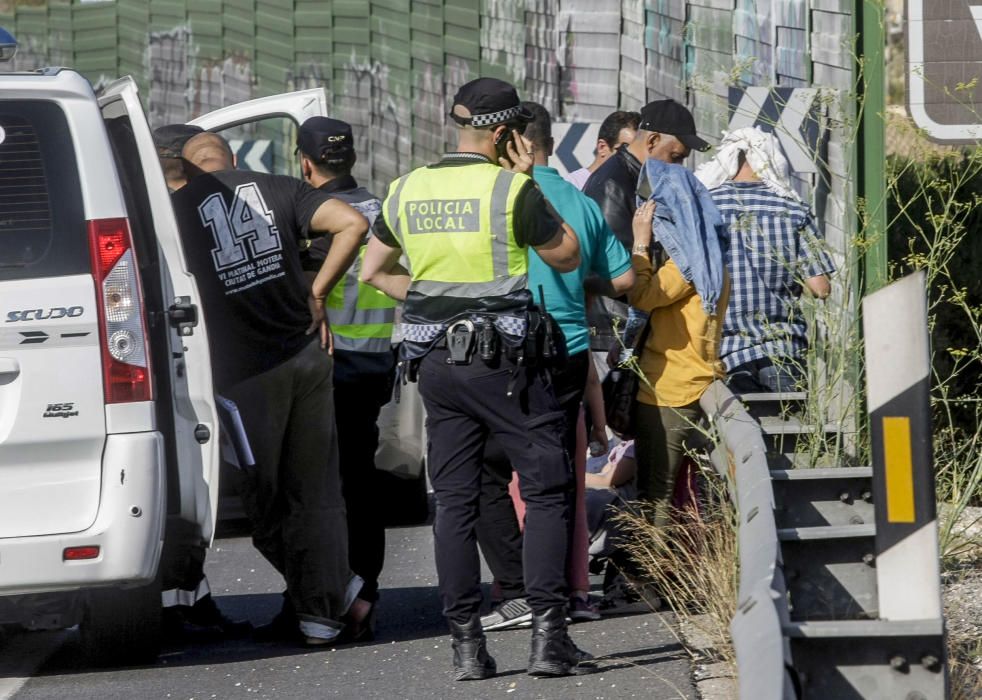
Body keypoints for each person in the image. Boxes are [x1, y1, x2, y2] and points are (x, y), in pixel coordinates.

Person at [360, 77, 592, 681]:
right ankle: (549, 637)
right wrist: (532, 179)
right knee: (545, 488)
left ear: (457, 125)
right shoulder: (511, 188)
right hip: (508, 364)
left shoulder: (406, 189)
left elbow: (372, 270)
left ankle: (466, 645)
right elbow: (567, 254)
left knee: (455, 502)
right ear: (506, 133)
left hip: (437, 364)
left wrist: (435, 300)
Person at [172, 131, 373, 646]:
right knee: (317, 495)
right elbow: (352, 223)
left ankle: (328, 601)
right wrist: (317, 292)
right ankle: (333, 602)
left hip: (246, 378)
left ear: (187, 169)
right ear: (234, 160)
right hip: (308, 357)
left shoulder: (176, 211)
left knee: (263, 505)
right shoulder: (281, 187)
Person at [475, 101, 634, 630]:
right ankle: (576, 591)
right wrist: (580, 283)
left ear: (510, 141)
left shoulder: (498, 195)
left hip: (505, 350)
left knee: (509, 480)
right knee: (562, 482)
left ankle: (517, 588)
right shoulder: (582, 201)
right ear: (547, 140)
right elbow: (624, 280)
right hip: (568, 349)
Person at [151, 123, 251, 640]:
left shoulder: (160, 209)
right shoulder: (178, 211)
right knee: (189, 486)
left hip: (183, 366)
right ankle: (178, 600)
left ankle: (189, 596)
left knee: (191, 487)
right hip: (183, 368)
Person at [296, 117, 396, 623]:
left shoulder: (314, 213)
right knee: (360, 480)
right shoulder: (381, 207)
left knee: (318, 489)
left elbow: (302, 288)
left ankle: (331, 596)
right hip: (376, 360)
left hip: (327, 366)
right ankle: (366, 591)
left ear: (305, 162)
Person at [629, 149, 730, 528]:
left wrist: (640, 245)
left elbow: (642, 296)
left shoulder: (684, 265)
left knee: (656, 496)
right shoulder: (712, 258)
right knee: (692, 495)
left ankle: (652, 581)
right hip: (701, 382)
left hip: (668, 390)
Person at [695, 127, 834, 393]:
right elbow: (821, 288)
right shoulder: (792, 209)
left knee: (739, 431)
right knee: (789, 428)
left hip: (726, 352)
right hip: (784, 349)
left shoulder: (707, 207)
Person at [564, 110, 639, 191]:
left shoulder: (638, 189)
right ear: (602, 147)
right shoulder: (572, 186)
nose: (632, 159)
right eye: (625, 151)